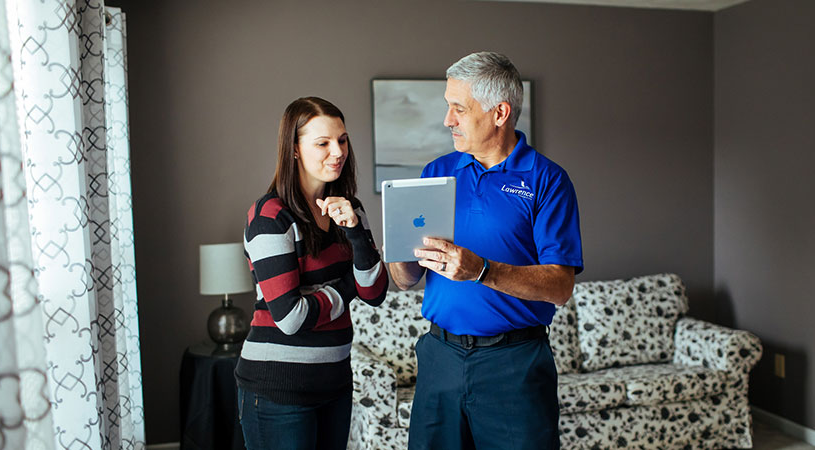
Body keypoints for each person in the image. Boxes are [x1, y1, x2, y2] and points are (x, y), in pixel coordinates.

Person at [389, 52, 583, 450]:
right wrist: (400, 254)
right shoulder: (435, 172)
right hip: (439, 359)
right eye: (448, 107)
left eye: (458, 109)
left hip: (514, 365)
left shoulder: (548, 181)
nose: (448, 120)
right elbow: (404, 279)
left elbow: (561, 286)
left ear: (500, 113)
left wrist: (482, 271)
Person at [236, 97, 388, 450]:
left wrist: (354, 231)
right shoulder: (269, 217)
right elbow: (290, 317)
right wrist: (347, 285)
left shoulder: (351, 210)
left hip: (335, 383)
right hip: (278, 390)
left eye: (343, 139)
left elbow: (376, 291)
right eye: (322, 143)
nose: (338, 151)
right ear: (294, 150)